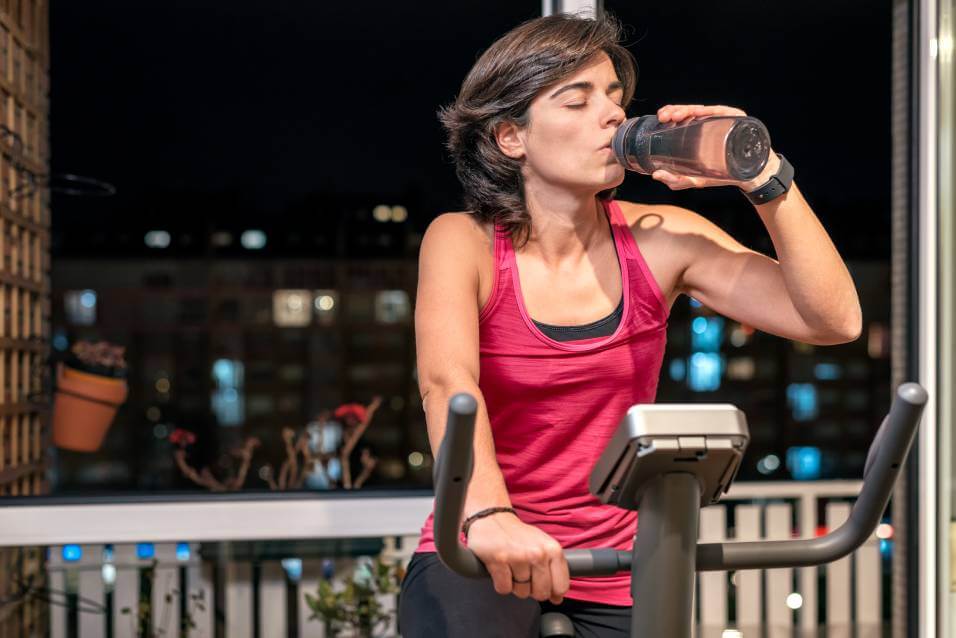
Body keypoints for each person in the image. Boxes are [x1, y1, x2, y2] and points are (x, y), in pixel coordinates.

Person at [398, 12, 861, 638]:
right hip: (487, 543)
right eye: (578, 100)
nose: (613, 115)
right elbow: (447, 383)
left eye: (615, 98)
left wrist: (762, 176)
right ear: (512, 137)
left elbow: (834, 320)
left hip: (617, 563)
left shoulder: (664, 238)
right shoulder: (463, 242)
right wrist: (488, 514)